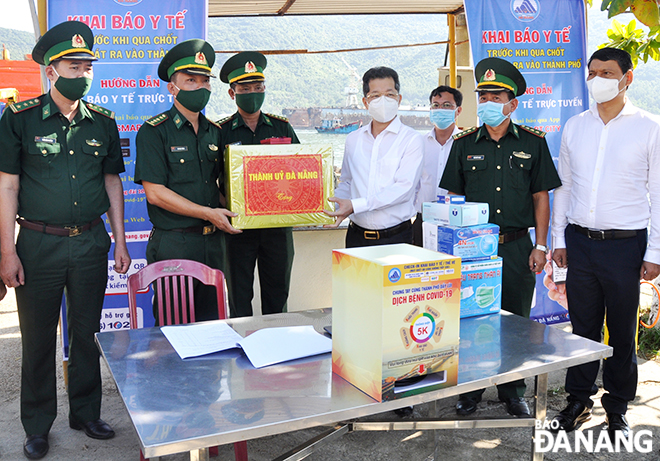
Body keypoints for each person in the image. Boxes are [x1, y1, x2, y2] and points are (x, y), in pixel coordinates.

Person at [0, 21, 130, 459]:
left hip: (91, 241)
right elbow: (7, 188)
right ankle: (37, 425)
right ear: (51, 71)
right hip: (38, 244)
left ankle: (86, 412)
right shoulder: (19, 119)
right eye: (74, 66)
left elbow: (113, 182)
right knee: (37, 339)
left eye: (88, 66)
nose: (83, 74)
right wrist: (6, 251)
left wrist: (121, 241)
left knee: (86, 332)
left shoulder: (104, 123)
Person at [439, 57, 561, 417]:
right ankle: (471, 391)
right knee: (472, 320)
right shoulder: (463, 144)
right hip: (472, 250)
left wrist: (540, 246)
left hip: (518, 247)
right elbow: (452, 200)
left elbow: (541, 196)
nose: (489, 102)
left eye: (497, 95)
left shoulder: (533, 143)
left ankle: (513, 391)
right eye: (484, 96)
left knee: (516, 322)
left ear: (513, 103)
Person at [550, 47, 660, 441]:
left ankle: (617, 406)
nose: (598, 79)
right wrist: (559, 238)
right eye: (592, 72)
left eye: (607, 73)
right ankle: (578, 399)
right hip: (579, 242)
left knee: (622, 327)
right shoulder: (575, 126)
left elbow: (658, 192)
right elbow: (563, 187)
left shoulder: (649, 127)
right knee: (582, 328)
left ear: (627, 78)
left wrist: (655, 253)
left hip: (626, 246)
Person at [135, 39, 240, 323]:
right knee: (173, 327)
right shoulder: (154, 132)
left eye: (204, 81)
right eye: (190, 80)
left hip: (214, 244)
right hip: (174, 243)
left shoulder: (214, 132)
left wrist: (244, 211)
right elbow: (155, 193)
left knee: (213, 326)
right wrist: (207, 213)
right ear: (173, 87)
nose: (199, 86)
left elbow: (218, 187)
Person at [218, 51, 300, 319]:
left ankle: (277, 353)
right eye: (244, 88)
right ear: (233, 93)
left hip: (277, 229)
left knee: (277, 296)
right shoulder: (221, 131)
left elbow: (303, 171)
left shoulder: (282, 128)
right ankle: (242, 352)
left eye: (257, 87)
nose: (252, 93)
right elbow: (212, 178)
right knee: (239, 297)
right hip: (238, 230)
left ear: (264, 89)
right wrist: (227, 208)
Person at [325, 66, 424, 248]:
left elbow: (403, 189)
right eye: (375, 96)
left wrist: (355, 205)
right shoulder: (353, 139)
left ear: (399, 99)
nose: (383, 101)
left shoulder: (412, 140)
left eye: (390, 94)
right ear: (365, 102)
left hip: (396, 237)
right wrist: (334, 207)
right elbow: (347, 182)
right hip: (356, 236)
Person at [412, 85, 463, 246]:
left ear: (458, 111)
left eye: (447, 105)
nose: (440, 109)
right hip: (423, 221)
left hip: (456, 222)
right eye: (436, 105)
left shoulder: (465, 144)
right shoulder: (418, 143)